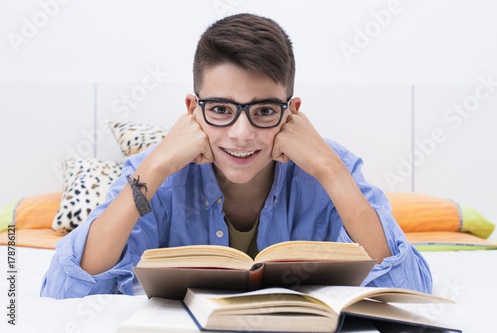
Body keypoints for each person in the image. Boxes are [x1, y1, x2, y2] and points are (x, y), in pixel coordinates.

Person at [41, 13, 432, 299]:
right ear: (194, 109)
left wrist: (329, 170)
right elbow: (63, 292)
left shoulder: (332, 167)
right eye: (221, 110)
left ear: (291, 111)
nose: (241, 134)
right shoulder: (152, 172)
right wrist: (156, 166)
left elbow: (410, 292)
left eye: (264, 110)